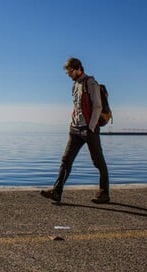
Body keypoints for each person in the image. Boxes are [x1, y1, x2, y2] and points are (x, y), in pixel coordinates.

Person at [40, 57, 110, 204]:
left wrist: (90, 127)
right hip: (75, 129)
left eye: (70, 71)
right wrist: (72, 123)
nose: (69, 75)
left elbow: (97, 106)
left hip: (89, 129)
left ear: (78, 69)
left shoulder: (90, 83)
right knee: (66, 160)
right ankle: (56, 192)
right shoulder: (74, 85)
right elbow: (77, 107)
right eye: (67, 73)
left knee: (98, 162)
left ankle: (104, 194)